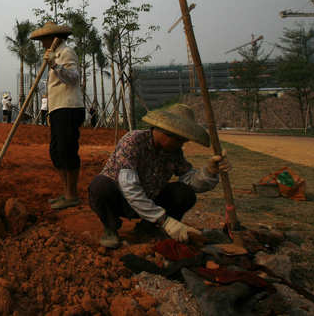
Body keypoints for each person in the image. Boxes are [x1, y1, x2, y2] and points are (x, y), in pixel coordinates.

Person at [88, 103, 232, 249]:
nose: (181, 145)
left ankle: (147, 229)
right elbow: (129, 188)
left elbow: (190, 181)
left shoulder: (174, 152)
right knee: (100, 186)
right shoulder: (133, 142)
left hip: (151, 201)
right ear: (166, 132)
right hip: (121, 200)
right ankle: (110, 227)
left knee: (185, 192)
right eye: (180, 140)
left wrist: (209, 171)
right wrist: (164, 220)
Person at [30, 22, 85, 210]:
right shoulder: (53, 54)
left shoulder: (66, 52)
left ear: (55, 38)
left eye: (44, 39)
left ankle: (72, 195)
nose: (41, 42)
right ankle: (66, 192)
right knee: (56, 152)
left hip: (68, 107)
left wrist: (54, 64)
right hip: (57, 109)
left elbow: (74, 78)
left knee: (67, 151)